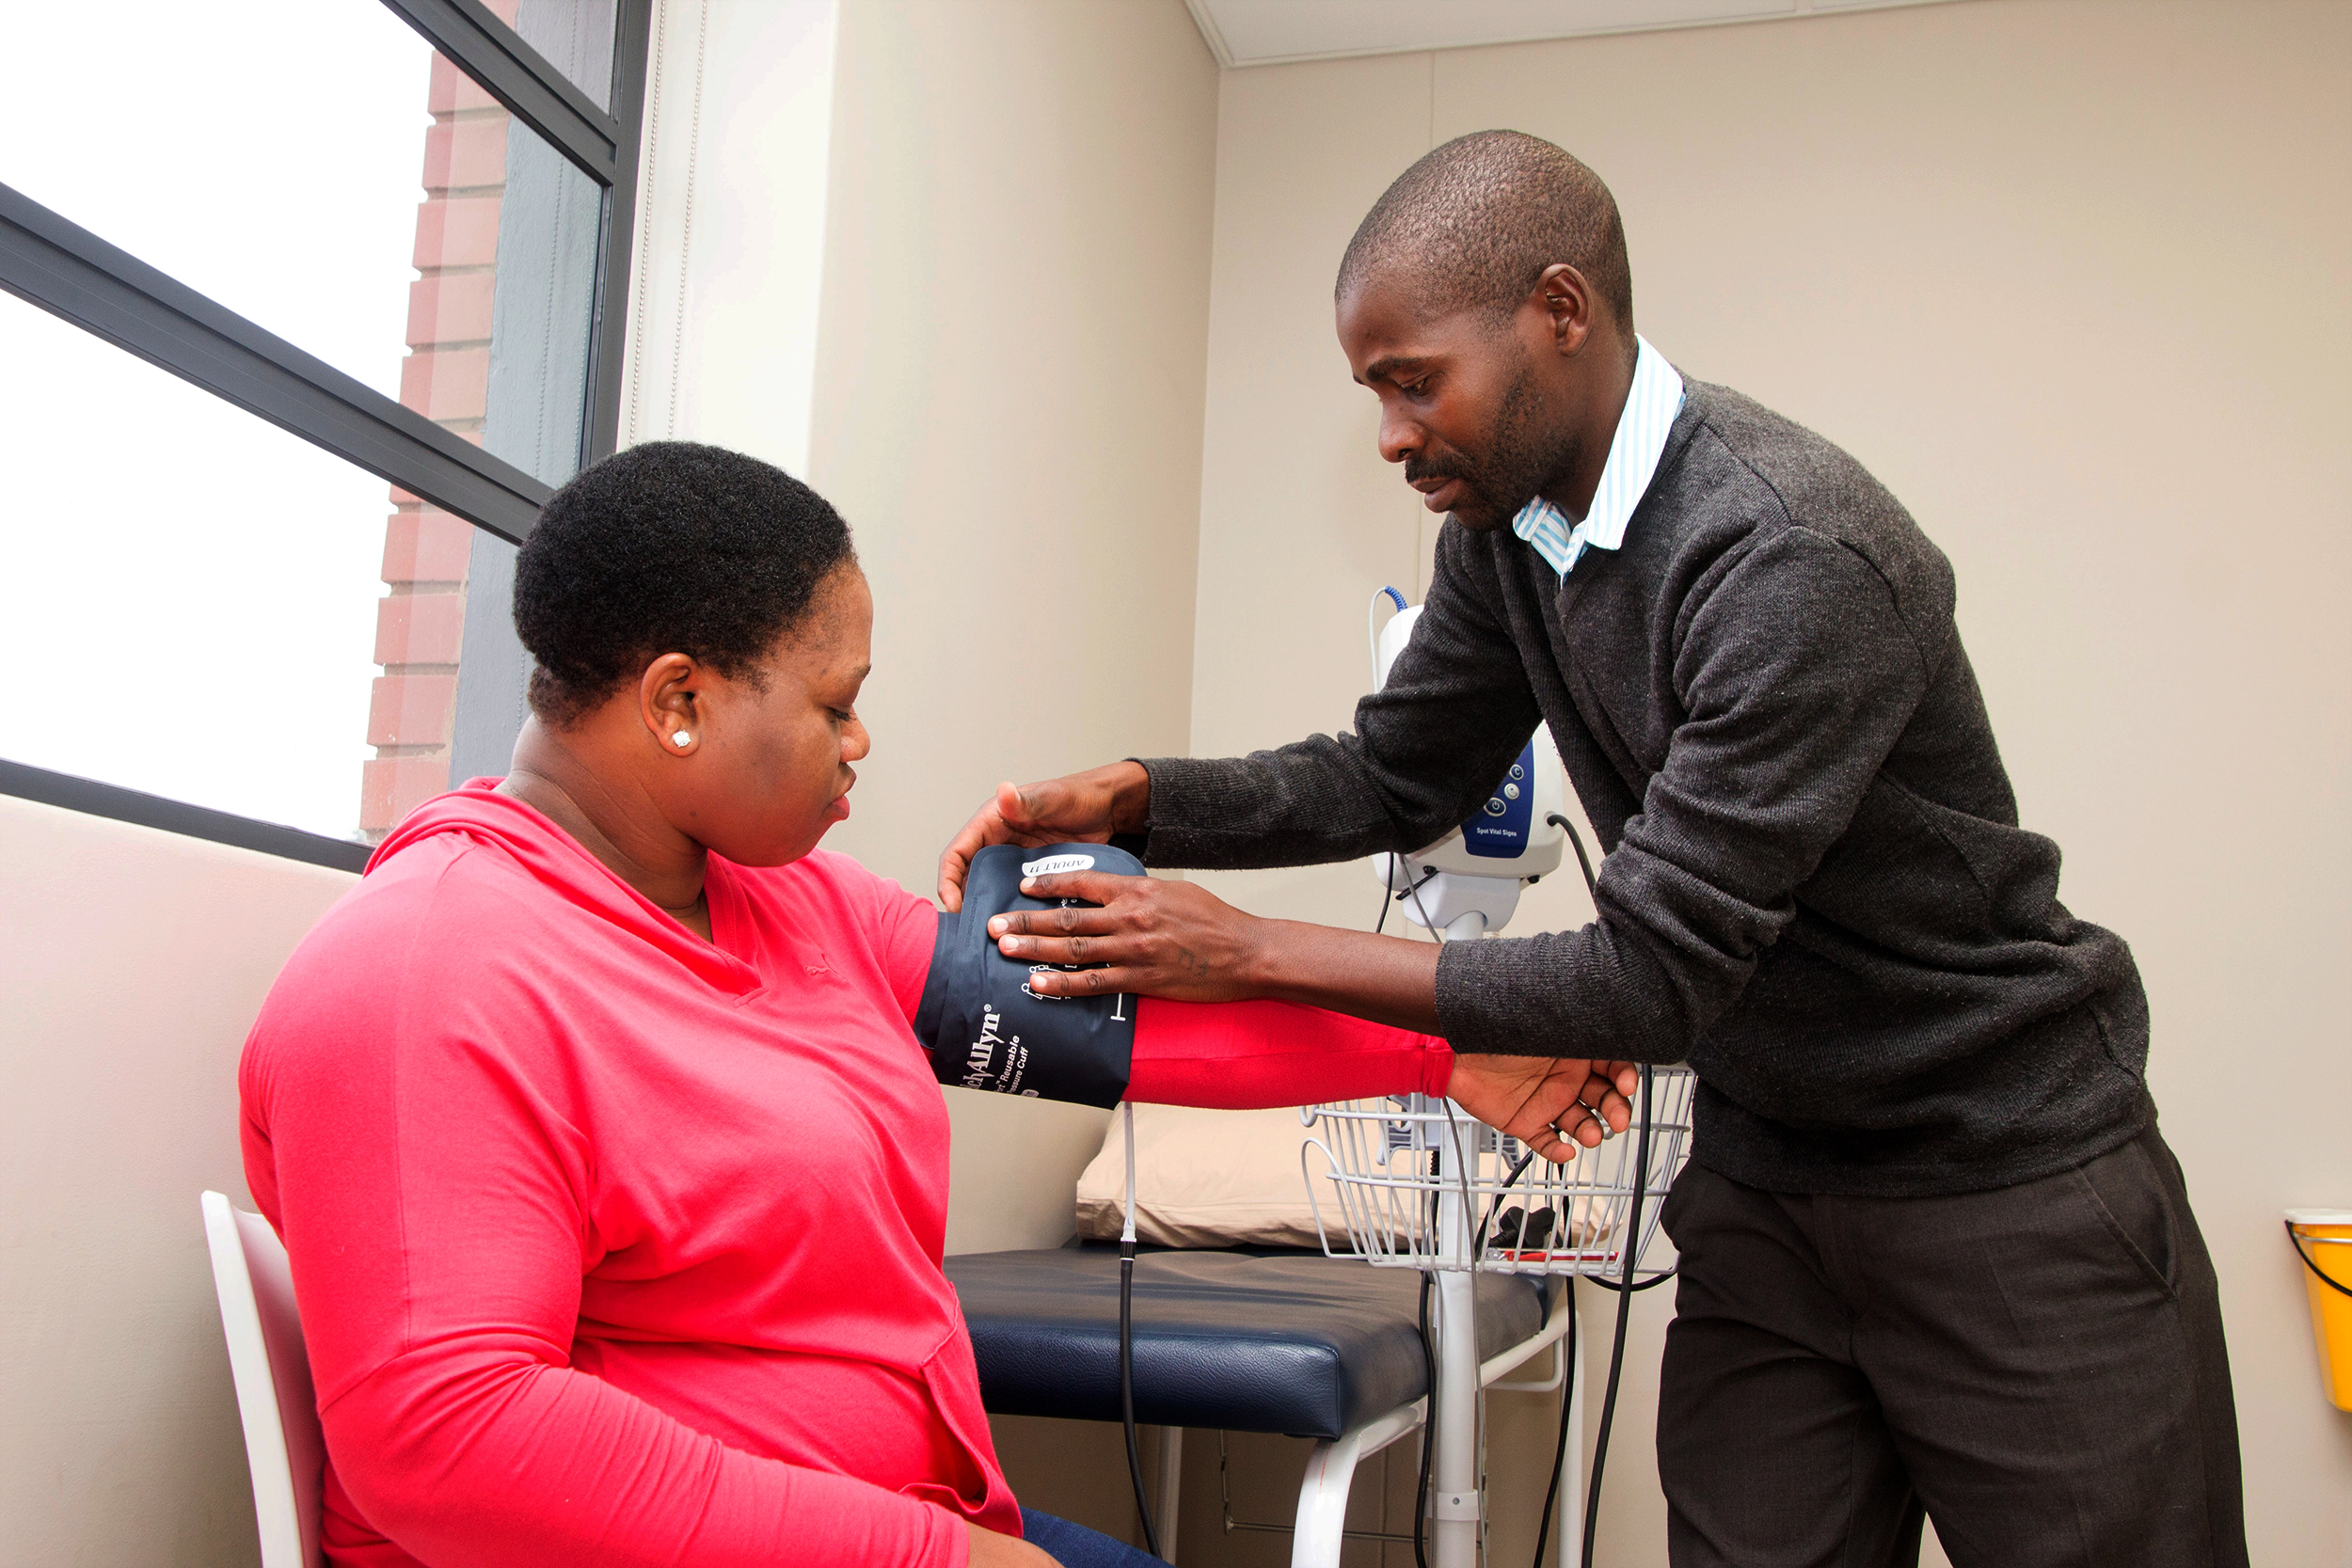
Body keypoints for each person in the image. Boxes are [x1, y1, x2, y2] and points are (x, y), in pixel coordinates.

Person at [938, 132, 2245, 1567]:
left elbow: (1652, 977)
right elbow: (1393, 772)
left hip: (2009, 1183)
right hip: (1768, 1185)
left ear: (1561, 313)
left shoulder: (1791, 553)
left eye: (1412, 380)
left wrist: (1239, 952)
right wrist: (1135, 798)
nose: (1388, 434)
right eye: (1373, 390)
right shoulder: (1515, 537)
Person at [240, 440, 1632, 1568]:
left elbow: (1121, 1028)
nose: (861, 744)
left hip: (931, 1521)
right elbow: (450, 1442)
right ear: (679, 701)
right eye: (836, 704)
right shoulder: (427, 973)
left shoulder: (790, 903)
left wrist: (1440, 1055)